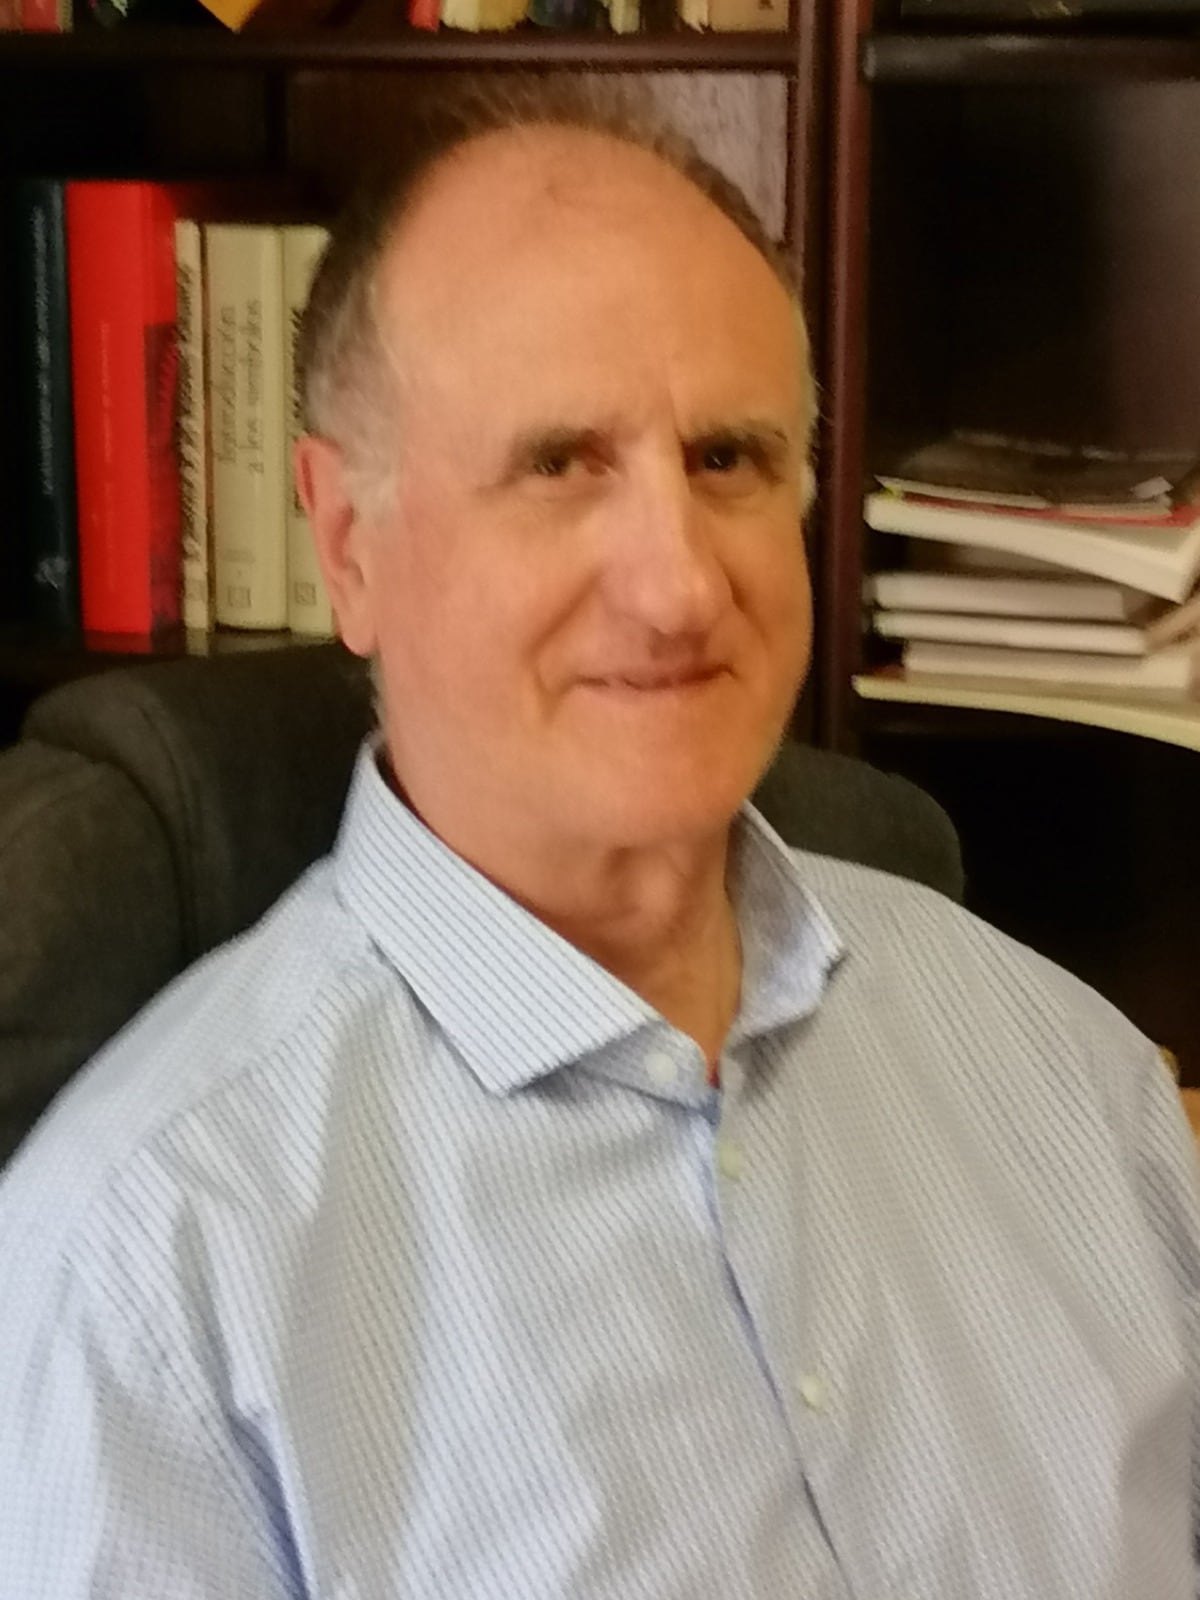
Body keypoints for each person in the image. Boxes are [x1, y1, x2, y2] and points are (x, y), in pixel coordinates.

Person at [1, 78, 1198, 1600]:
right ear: (348, 543)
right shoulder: (141, 1286)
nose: (679, 585)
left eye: (729, 460)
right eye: (561, 463)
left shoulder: (1072, 1080)